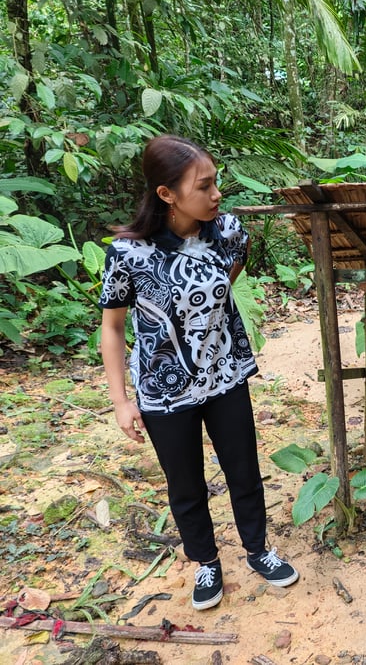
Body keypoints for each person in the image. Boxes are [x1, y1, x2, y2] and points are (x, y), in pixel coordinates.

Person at [100, 134, 298, 611]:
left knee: (244, 471)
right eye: (204, 186)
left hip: (224, 375)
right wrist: (121, 401)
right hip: (162, 388)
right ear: (166, 194)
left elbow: (228, 279)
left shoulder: (227, 231)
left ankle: (257, 550)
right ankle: (206, 561)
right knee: (184, 482)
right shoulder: (128, 253)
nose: (216, 195)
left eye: (216, 184)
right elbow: (112, 327)